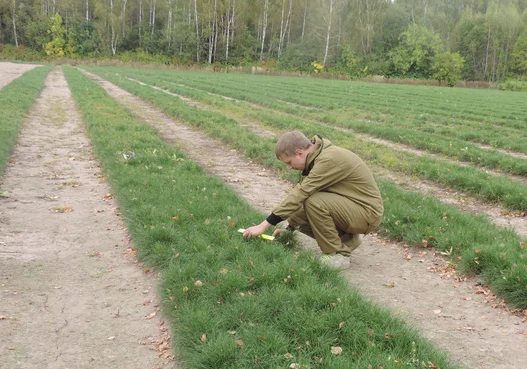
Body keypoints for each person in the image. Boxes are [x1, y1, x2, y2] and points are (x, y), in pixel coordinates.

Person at [243, 131, 383, 270]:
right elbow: (298, 199)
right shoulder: (316, 158)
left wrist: (262, 226)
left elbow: (302, 193)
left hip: (367, 213)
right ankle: (347, 240)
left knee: (315, 202)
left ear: (299, 153)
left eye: (289, 162)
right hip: (351, 207)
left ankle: (337, 254)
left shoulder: (328, 159)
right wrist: (289, 229)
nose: (290, 167)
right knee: (296, 207)